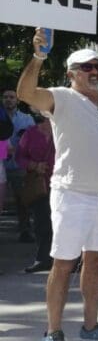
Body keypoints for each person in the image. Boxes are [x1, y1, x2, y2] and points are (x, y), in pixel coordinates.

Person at [18, 28, 98, 341]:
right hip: (72, 194)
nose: (94, 71)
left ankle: (91, 326)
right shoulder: (62, 97)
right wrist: (39, 56)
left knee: (95, 261)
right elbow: (27, 93)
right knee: (64, 263)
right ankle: (53, 333)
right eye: (86, 67)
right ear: (71, 74)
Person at [16, 112, 55, 273]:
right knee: (42, 222)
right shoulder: (30, 133)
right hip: (40, 184)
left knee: (63, 223)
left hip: (64, 183)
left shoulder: (64, 130)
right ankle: (43, 259)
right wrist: (33, 165)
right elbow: (19, 157)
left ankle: (69, 260)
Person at [3, 88, 36, 242]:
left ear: (17, 100)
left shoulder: (27, 119)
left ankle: (25, 230)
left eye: (11, 97)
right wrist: (5, 150)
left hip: (18, 166)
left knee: (22, 199)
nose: (8, 100)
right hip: (1, 165)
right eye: (5, 97)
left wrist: (18, 150)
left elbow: (34, 141)